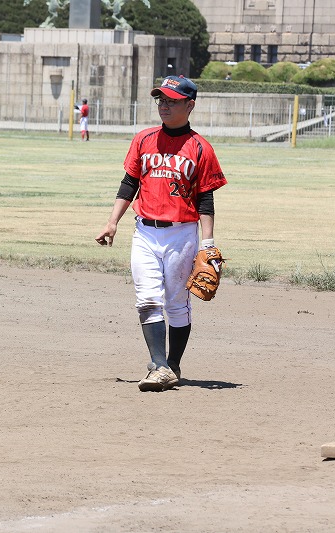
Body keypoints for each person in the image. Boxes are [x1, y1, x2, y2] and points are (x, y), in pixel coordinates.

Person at [95, 75, 227, 392]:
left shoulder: (200, 148)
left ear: (189, 105)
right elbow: (129, 183)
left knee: (177, 303)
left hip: (182, 234)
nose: (164, 106)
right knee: (147, 298)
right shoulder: (143, 140)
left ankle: (172, 363)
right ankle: (160, 365)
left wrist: (208, 243)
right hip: (145, 231)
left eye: (171, 101)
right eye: (161, 100)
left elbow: (205, 198)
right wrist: (112, 221)